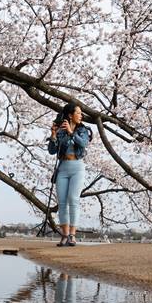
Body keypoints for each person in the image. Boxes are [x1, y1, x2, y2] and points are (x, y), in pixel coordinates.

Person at [47, 102, 90, 247]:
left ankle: (72, 235)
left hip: (77, 167)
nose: (81, 115)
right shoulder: (61, 130)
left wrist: (72, 133)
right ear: (70, 115)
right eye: (78, 113)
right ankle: (64, 235)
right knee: (62, 202)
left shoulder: (83, 130)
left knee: (73, 199)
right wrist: (54, 135)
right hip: (63, 167)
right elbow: (52, 151)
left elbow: (83, 144)